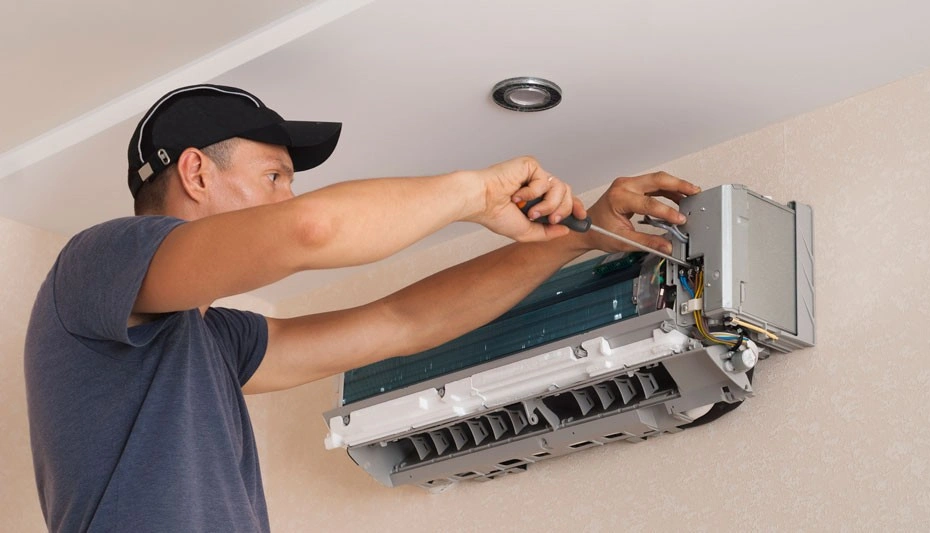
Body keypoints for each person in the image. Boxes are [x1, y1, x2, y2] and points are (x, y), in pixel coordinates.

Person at [24, 84, 699, 532]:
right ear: (197, 172)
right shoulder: (99, 258)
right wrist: (474, 192)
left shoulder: (213, 340)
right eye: (274, 176)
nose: (288, 197)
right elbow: (309, 231)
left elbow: (401, 323)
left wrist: (559, 244)